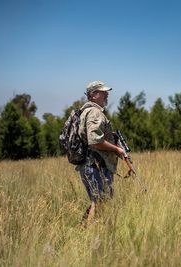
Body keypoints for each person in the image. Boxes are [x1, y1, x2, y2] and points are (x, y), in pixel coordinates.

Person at [76, 80, 126, 226]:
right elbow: (95, 141)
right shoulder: (94, 112)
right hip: (95, 165)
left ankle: (82, 231)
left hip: (92, 165)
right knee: (99, 202)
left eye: (106, 91)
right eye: (103, 92)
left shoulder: (87, 111)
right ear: (93, 95)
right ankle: (90, 237)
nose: (107, 94)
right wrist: (117, 149)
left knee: (97, 202)